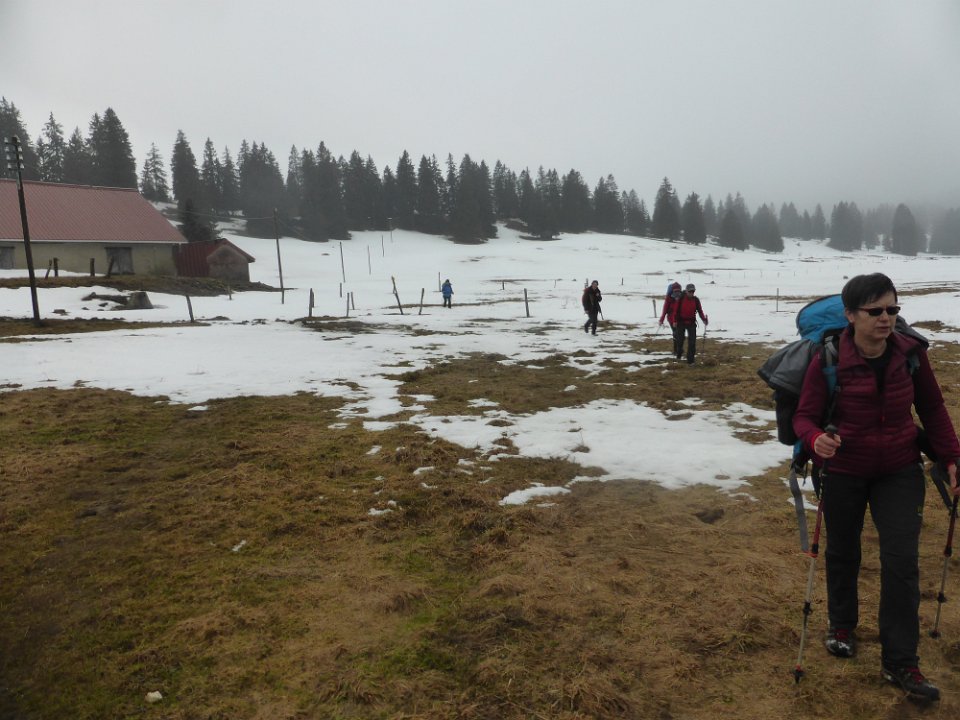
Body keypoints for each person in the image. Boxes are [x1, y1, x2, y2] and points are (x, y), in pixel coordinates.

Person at [793, 273, 960, 702]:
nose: (886, 318)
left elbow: (932, 407)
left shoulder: (911, 354)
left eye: (892, 309)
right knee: (843, 552)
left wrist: (952, 458)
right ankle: (841, 626)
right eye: (875, 311)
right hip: (843, 470)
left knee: (902, 563)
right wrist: (816, 440)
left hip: (900, 470)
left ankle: (901, 661)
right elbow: (804, 417)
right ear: (851, 315)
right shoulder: (828, 359)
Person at [670, 283, 707, 364]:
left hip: (691, 323)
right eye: (690, 291)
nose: (691, 293)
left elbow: (700, 311)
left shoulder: (696, 300)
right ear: (686, 291)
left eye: (693, 291)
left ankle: (690, 360)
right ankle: (679, 353)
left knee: (692, 342)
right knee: (680, 340)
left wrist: (704, 319)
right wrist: (674, 321)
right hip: (681, 322)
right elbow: (675, 311)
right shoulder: (681, 299)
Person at [659, 282, 683, 356]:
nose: (677, 294)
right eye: (675, 292)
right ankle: (676, 350)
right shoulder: (669, 299)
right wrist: (661, 319)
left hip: (680, 319)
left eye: (678, 292)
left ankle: (678, 349)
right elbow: (665, 309)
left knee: (679, 334)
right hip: (671, 319)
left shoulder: (682, 298)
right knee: (676, 333)